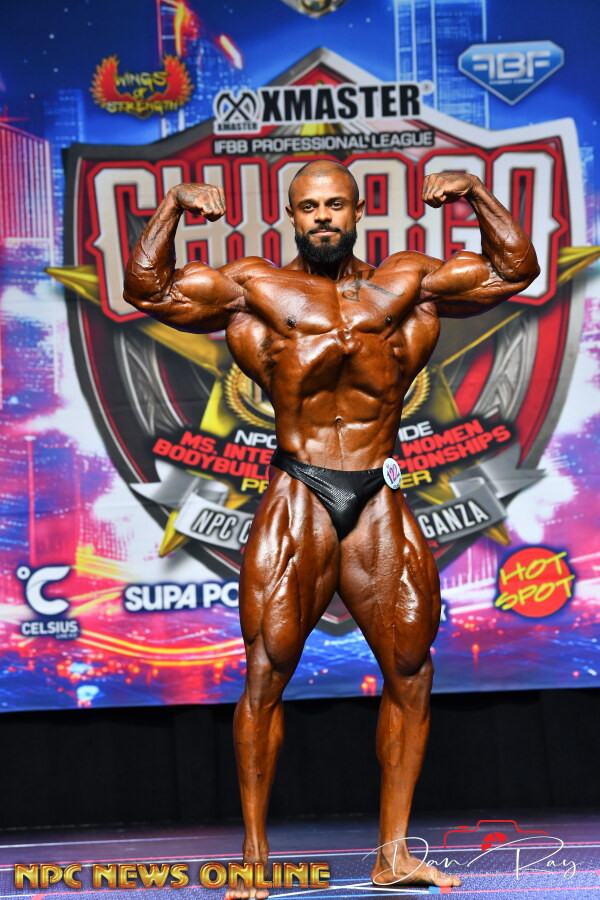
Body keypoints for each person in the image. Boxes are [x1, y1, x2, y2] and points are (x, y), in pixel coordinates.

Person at [123, 160, 539, 894]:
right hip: (300, 486)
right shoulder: (256, 288)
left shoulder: (407, 283)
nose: (322, 216)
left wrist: (475, 193)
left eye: (335, 205)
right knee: (266, 671)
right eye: (309, 206)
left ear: (357, 211)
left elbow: (515, 270)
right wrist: (173, 205)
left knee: (411, 670)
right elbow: (147, 290)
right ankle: (255, 861)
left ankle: (394, 855)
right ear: (291, 216)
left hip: (378, 489)